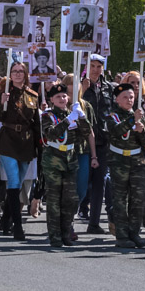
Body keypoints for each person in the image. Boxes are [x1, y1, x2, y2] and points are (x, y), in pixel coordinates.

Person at [0, 62, 42, 241]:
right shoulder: (4, 93)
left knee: (18, 182)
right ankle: (17, 226)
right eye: (14, 71)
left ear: (26, 74)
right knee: (12, 180)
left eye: (21, 71)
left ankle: (5, 219)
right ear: (10, 74)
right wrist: (1, 103)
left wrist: (39, 145)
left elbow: (36, 123)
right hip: (8, 140)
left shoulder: (33, 95)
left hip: (26, 141)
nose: (18, 74)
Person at [42, 83, 91, 247]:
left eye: (64, 96)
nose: (62, 99)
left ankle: (65, 233)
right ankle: (54, 236)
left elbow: (85, 134)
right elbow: (50, 134)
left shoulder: (73, 114)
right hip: (53, 161)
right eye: (58, 97)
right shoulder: (47, 116)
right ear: (51, 100)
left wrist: (82, 118)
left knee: (70, 199)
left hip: (70, 160)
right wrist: (66, 121)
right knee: (54, 200)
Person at [106, 84, 145, 248]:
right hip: (119, 162)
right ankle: (122, 235)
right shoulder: (113, 116)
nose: (129, 100)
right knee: (120, 200)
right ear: (117, 99)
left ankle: (135, 232)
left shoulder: (138, 116)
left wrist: (141, 131)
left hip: (137, 161)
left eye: (131, 97)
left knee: (138, 199)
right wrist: (133, 120)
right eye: (125, 97)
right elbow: (115, 131)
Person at [82, 54, 114, 235]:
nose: (95, 69)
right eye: (92, 66)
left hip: (103, 140)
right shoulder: (81, 86)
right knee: (82, 183)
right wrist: (81, 89)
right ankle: (67, 220)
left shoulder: (109, 88)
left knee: (100, 182)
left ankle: (94, 222)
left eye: (98, 66)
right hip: (83, 140)